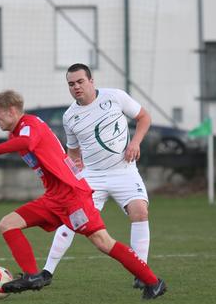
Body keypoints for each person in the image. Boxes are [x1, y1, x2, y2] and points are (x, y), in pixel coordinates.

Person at [0, 89, 167, 300]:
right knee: (7, 224)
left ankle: (153, 282)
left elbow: (26, 143)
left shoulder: (30, 125)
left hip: (72, 198)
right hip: (54, 198)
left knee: (103, 242)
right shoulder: (18, 131)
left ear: (11, 111)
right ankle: (33, 276)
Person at [38, 63, 153, 290]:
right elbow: (72, 152)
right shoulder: (70, 116)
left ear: (91, 81)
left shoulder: (115, 97)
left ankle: (142, 273)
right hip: (93, 177)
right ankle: (46, 272)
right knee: (71, 219)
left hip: (125, 171)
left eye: (80, 82)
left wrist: (135, 142)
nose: (76, 87)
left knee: (140, 211)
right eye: (71, 84)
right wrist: (72, 174)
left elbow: (144, 117)